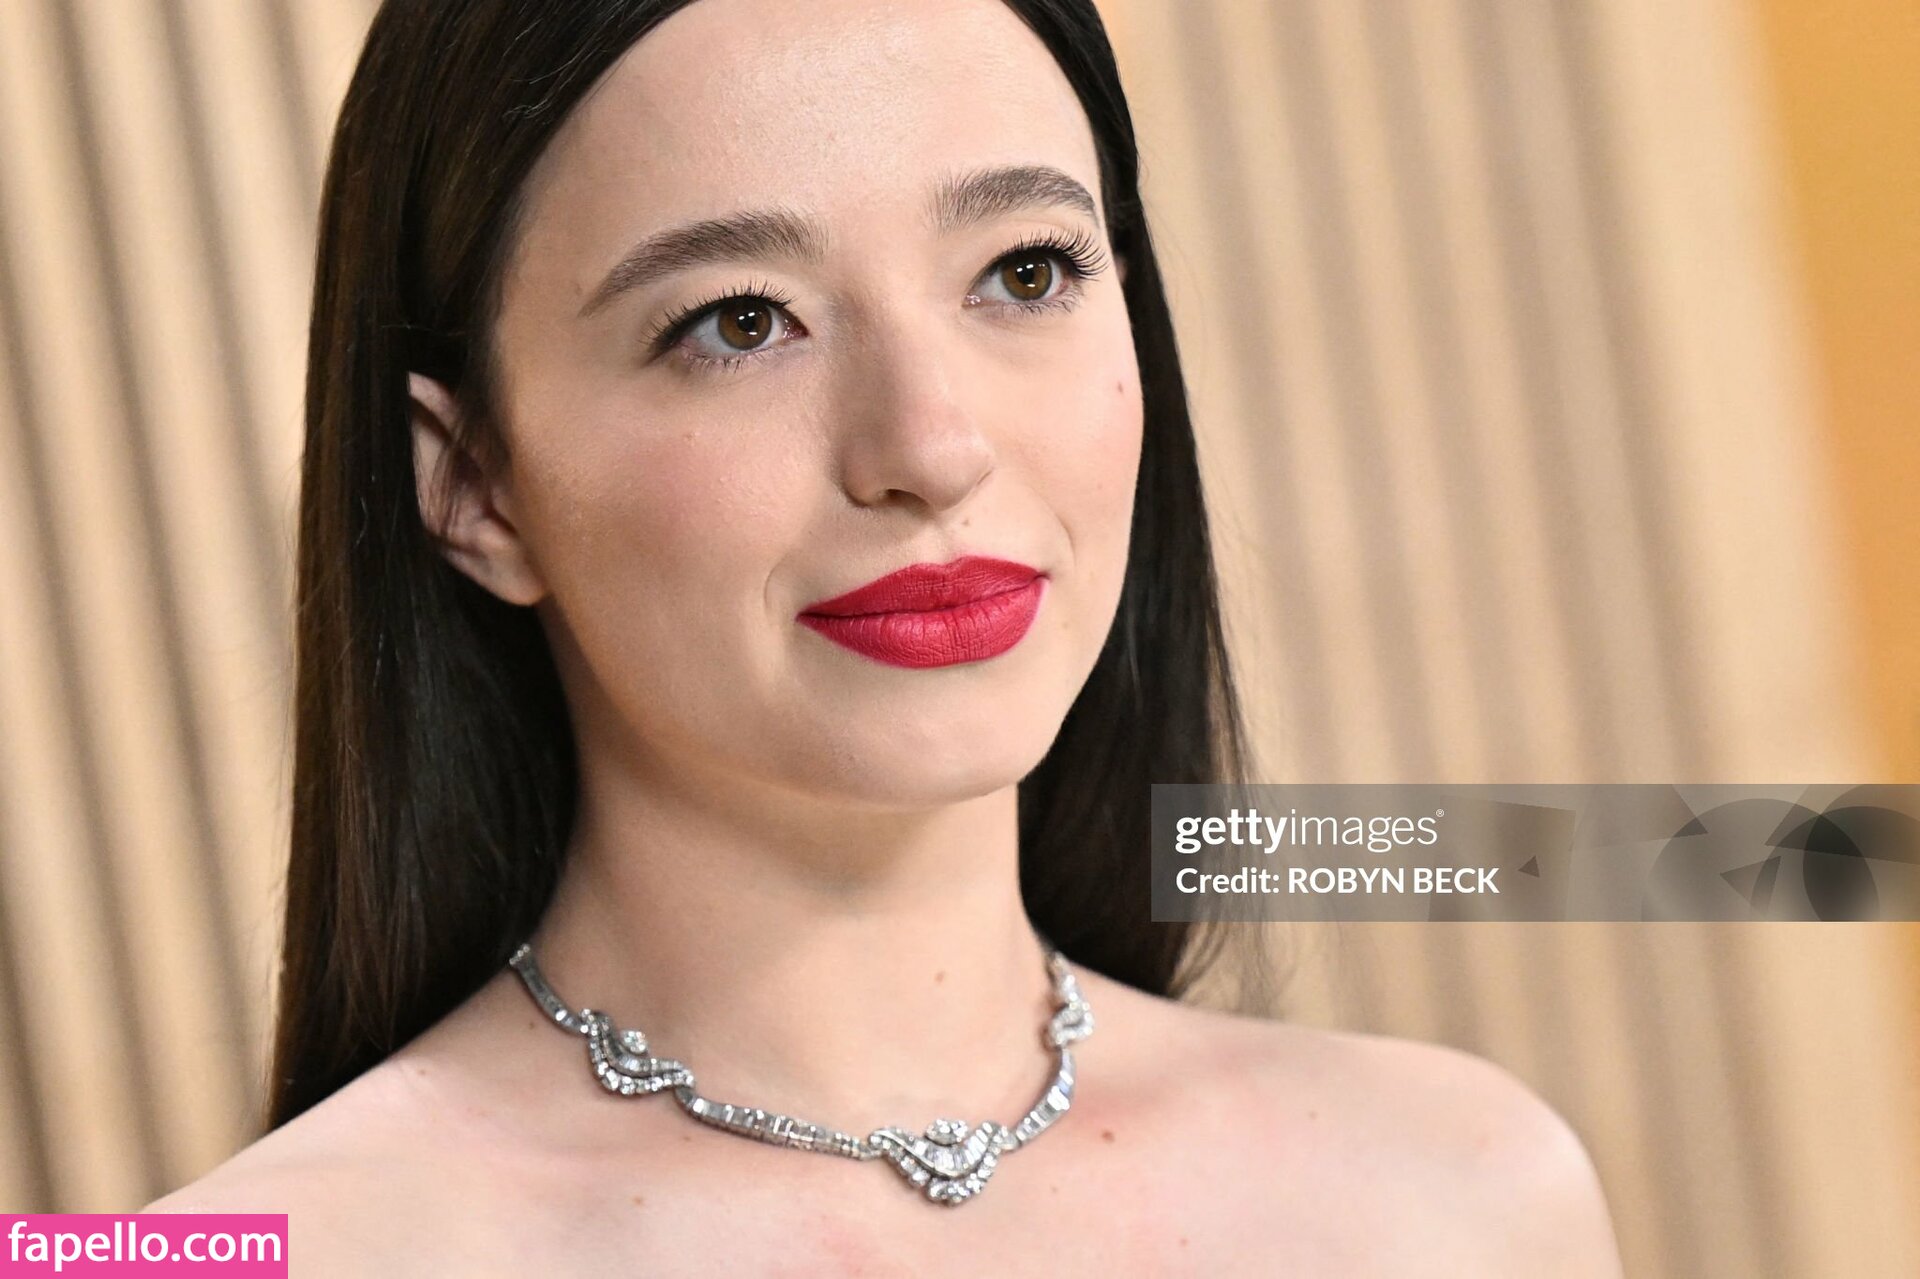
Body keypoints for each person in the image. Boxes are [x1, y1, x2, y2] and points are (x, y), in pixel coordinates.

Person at [147, 0, 1624, 1272]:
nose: (931, 446)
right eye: (739, 321)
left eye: (1025, 272)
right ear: (474, 484)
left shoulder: (1465, 1192)